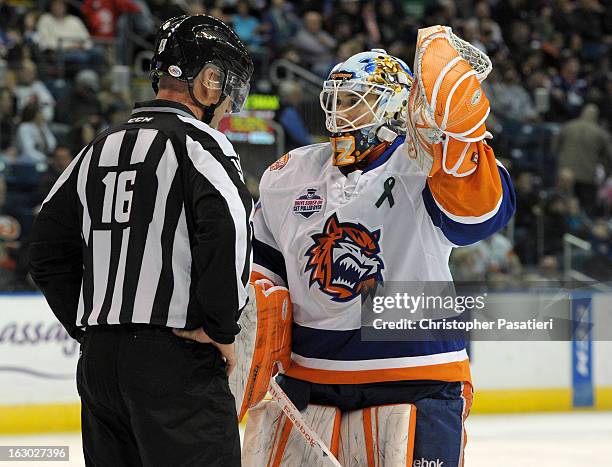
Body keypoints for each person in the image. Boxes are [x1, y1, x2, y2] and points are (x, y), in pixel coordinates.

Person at [243, 31, 515, 465]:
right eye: (334, 99)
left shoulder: (428, 163)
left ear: (395, 104)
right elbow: (262, 267)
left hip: (417, 375)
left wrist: (462, 141)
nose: (338, 111)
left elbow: (477, 219)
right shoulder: (289, 173)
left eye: (355, 99)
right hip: (310, 379)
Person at [29, 15, 253, 467]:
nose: (229, 100)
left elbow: (45, 250)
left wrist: (91, 327)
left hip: (99, 368)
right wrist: (221, 329)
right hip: (176, 361)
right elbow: (226, 234)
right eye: (226, 83)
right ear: (208, 80)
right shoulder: (201, 145)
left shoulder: (98, 147)